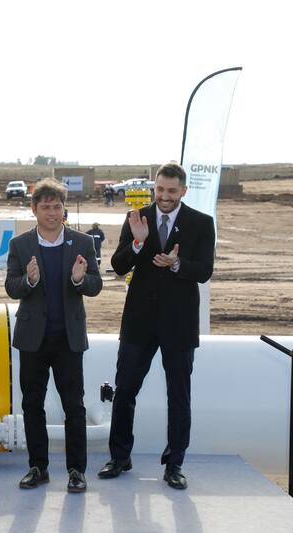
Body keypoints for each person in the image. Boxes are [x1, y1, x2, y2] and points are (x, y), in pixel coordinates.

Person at [98, 162, 214, 490]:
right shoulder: (137, 218)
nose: (164, 196)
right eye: (160, 189)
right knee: (124, 391)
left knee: (179, 396)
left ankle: (174, 464)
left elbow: (204, 269)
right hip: (138, 323)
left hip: (179, 325)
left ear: (183, 191)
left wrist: (177, 263)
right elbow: (118, 265)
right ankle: (119, 457)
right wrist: (137, 244)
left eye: (171, 191)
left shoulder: (201, 223)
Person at [5, 178, 102, 493]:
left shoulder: (83, 243)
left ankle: (76, 471)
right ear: (34, 210)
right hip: (33, 339)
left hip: (68, 340)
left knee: (74, 406)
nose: (51, 212)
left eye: (57, 206)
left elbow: (95, 285)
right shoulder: (20, 245)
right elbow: (11, 285)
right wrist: (28, 282)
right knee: (32, 404)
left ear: (64, 210)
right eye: (45, 206)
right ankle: (38, 467)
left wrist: (79, 280)